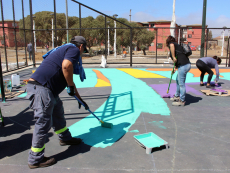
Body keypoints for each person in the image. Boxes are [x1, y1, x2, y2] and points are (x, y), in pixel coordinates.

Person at [26, 36, 89, 169]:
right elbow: (66, 66)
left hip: (46, 89)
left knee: (58, 113)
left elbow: (70, 82)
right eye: (84, 50)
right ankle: (35, 159)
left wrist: (81, 100)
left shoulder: (62, 49)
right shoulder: (74, 50)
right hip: (42, 88)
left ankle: (65, 138)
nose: (81, 54)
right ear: (81, 46)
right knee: (43, 122)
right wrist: (71, 86)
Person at [166, 35, 191, 106]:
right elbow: (177, 59)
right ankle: (177, 96)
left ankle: (182, 100)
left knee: (181, 84)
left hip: (183, 66)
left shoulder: (172, 44)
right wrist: (174, 68)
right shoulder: (178, 46)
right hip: (184, 65)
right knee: (178, 80)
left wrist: (173, 57)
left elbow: (175, 56)